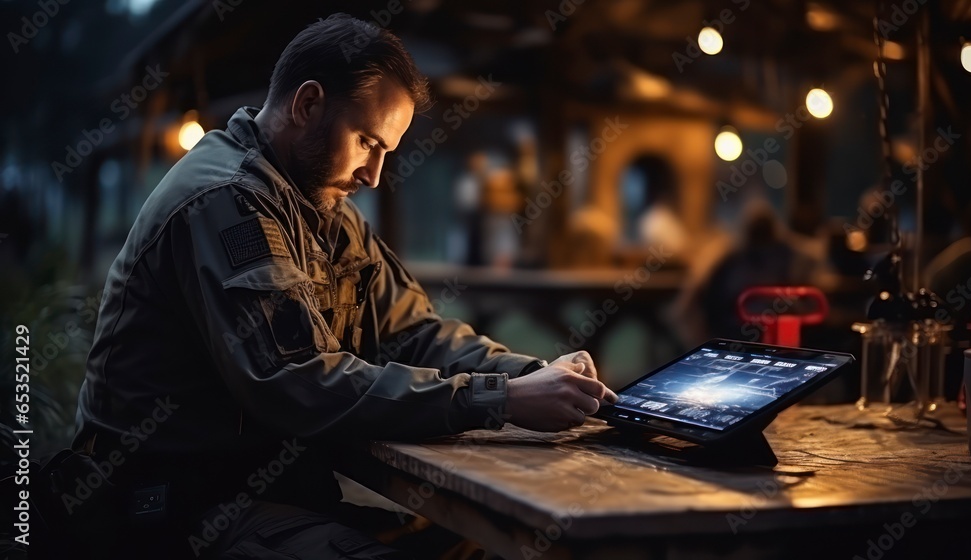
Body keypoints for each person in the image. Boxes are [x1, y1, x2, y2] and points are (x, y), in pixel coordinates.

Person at [63, 14, 616, 559]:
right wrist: (501, 400)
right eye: (367, 142)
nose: (374, 175)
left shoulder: (321, 207)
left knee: (492, 543)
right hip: (177, 514)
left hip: (273, 496)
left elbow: (416, 333)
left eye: (386, 152)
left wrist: (532, 375)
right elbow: (297, 383)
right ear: (307, 105)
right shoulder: (227, 202)